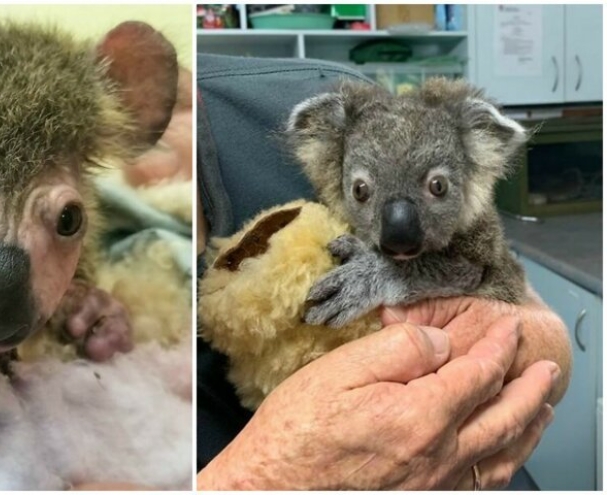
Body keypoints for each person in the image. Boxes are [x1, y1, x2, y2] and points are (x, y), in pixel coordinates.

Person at [195, 54, 572, 490]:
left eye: (437, 188)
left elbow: (502, 289)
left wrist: (393, 279)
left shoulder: (339, 93)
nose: (397, 227)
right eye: (362, 191)